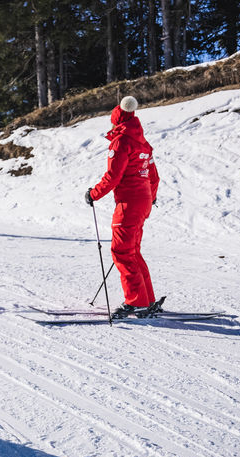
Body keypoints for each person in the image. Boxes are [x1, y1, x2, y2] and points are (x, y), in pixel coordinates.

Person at [85, 96, 161, 319]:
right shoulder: (143, 144)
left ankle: (137, 302)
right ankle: (147, 299)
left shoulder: (122, 141)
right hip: (143, 201)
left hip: (129, 203)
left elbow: (113, 176)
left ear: (116, 122)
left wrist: (93, 194)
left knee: (122, 251)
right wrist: (150, 198)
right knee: (133, 251)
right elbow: (154, 177)